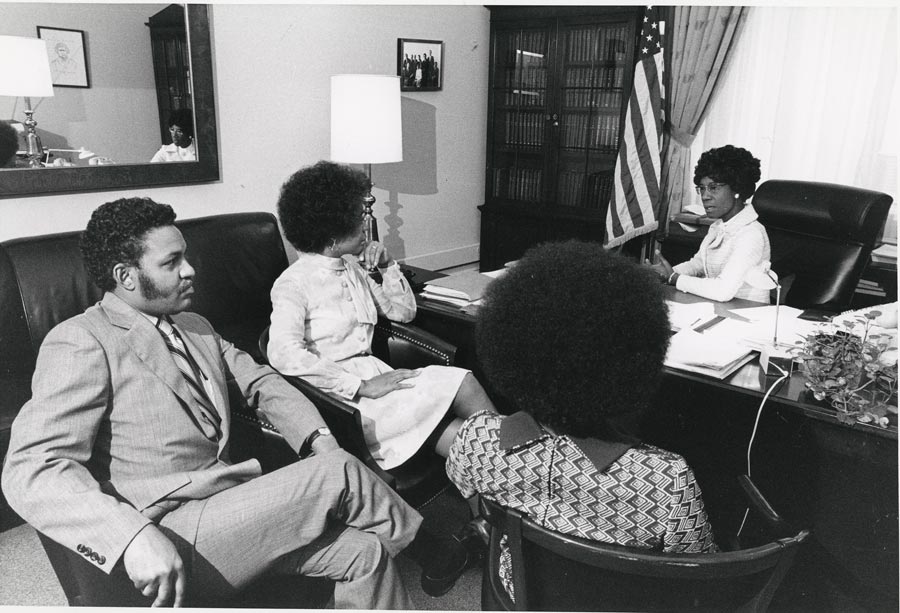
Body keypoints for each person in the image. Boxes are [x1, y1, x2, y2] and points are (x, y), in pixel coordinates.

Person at [1, 198, 421, 608]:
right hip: (169, 531)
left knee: (366, 554)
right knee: (341, 473)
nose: (190, 270)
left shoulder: (194, 325)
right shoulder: (82, 339)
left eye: (185, 256)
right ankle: (439, 547)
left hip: (232, 510)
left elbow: (261, 382)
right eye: (171, 263)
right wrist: (129, 537)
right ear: (125, 276)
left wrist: (319, 440)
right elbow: (31, 468)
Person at [268, 160, 497, 594]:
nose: (366, 221)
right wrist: (357, 386)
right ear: (332, 232)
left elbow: (402, 312)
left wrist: (385, 266)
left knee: (463, 434)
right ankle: (509, 504)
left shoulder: (352, 265)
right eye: (359, 215)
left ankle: (488, 524)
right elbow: (281, 353)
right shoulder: (293, 284)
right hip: (348, 402)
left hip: (383, 381)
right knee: (464, 385)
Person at [446, 240, 718, 603]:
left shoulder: (474, 440)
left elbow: (479, 508)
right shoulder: (668, 480)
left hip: (517, 597)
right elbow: (700, 572)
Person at [649, 145, 772, 302]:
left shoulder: (751, 234)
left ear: (737, 189)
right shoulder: (718, 227)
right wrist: (664, 273)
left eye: (713, 188)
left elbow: (723, 291)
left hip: (747, 316)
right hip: (721, 309)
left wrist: (674, 278)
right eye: (702, 188)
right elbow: (698, 264)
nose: (705, 196)